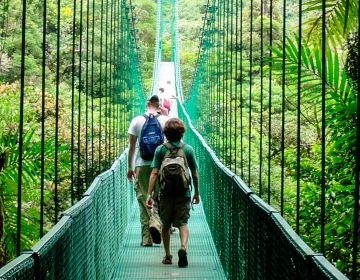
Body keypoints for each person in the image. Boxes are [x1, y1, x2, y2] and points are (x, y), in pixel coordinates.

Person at [146, 118, 200, 267]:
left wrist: (149, 195)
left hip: (165, 194)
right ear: (182, 132)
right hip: (183, 194)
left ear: (165, 133)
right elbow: (194, 174)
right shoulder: (188, 149)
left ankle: (168, 255)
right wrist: (196, 193)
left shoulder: (160, 149)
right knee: (182, 223)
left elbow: (154, 173)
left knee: (165, 225)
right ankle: (183, 247)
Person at [127, 95, 169, 247]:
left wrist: (130, 167)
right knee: (161, 197)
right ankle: (157, 222)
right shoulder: (165, 121)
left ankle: (146, 238)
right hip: (161, 164)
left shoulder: (136, 120)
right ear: (158, 106)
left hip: (142, 164)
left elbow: (131, 147)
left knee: (143, 198)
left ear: (147, 105)